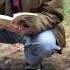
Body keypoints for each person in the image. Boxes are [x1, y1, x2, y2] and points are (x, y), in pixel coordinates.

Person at [0, 0, 66, 70]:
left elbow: (53, 14)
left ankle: (33, 65)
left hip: (34, 29)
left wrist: (31, 25)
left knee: (46, 43)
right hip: (5, 28)